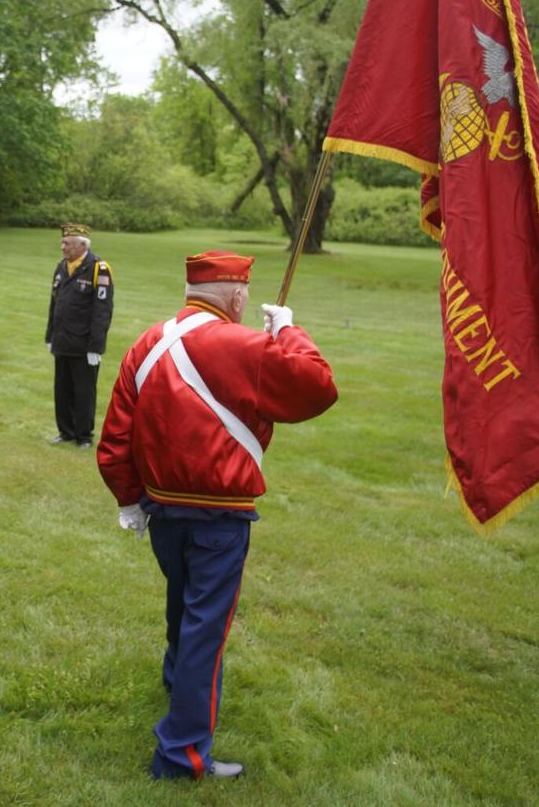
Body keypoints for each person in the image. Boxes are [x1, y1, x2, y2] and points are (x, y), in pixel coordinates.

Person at [96, 251, 337, 781]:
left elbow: (115, 436)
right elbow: (317, 385)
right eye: (245, 294)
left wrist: (128, 499)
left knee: (184, 608)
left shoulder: (147, 341)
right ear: (234, 294)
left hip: (160, 505)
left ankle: (177, 684)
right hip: (219, 514)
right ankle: (182, 755)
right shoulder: (246, 345)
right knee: (206, 626)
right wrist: (290, 333)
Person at [46, 222, 114, 448]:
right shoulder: (62, 267)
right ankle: (65, 431)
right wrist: (50, 335)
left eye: (67, 243)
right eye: (63, 243)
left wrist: (96, 346)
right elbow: (54, 304)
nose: (63, 247)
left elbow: (102, 311)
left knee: (84, 392)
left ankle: (84, 436)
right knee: (62, 390)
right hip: (62, 340)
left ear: (82, 245)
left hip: (84, 344)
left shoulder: (98, 269)